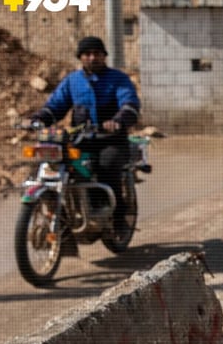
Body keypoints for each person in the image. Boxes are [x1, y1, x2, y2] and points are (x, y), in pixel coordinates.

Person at [30, 36, 140, 232]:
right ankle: (57, 211)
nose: (92, 58)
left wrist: (118, 121)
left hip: (111, 140)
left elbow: (129, 104)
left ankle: (118, 216)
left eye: (97, 54)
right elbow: (55, 106)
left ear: (104, 56)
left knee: (106, 165)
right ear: (80, 57)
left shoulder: (118, 79)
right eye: (87, 54)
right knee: (51, 164)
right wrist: (38, 119)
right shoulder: (72, 81)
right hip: (81, 140)